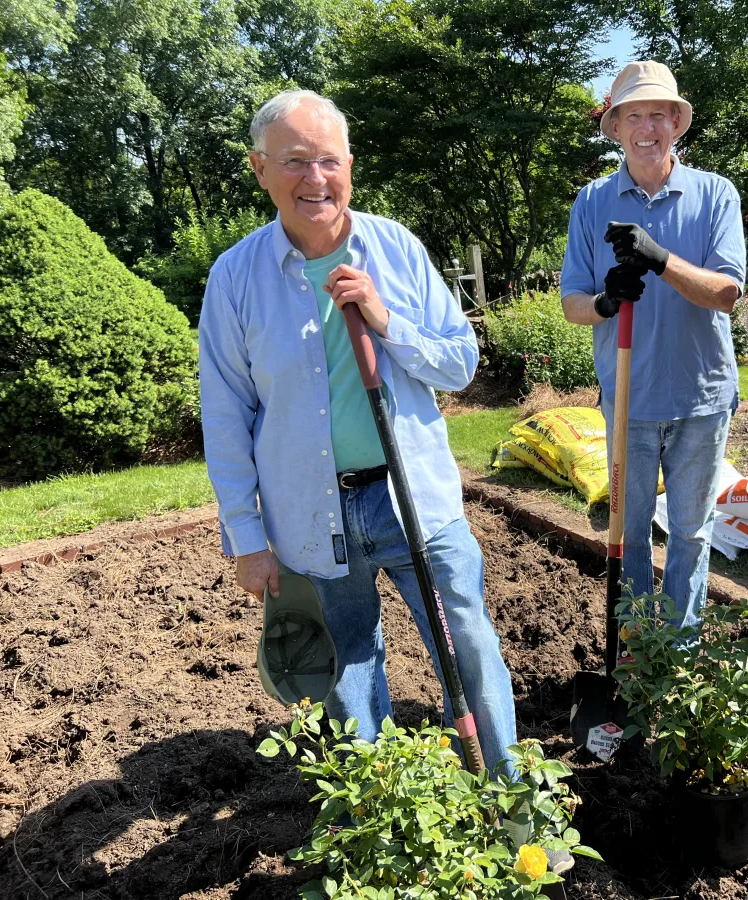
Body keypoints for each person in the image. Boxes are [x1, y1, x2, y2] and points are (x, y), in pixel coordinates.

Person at [198, 89, 516, 770]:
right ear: (259, 169)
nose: (315, 179)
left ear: (350, 166)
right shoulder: (235, 278)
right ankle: (376, 815)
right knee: (349, 673)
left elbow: (461, 363)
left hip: (413, 503)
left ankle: (516, 803)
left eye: (328, 161)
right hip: (311, 515)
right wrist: (247, 538)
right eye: (294, 162)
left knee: (470, 655)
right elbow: (226, 416)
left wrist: (384, 318)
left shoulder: (394, 249)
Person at [561, 61, 747, 629]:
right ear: (615, 127)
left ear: (676, 123)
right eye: (632, 115)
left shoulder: (715, 194)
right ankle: (638, 645)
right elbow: (573, 303)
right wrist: (606, 303)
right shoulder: (592, 203)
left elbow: (726, 292)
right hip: (629, 402)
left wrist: (659, 259)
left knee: (690, 532)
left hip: (701, 399)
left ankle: (679, 651)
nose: (647, 127)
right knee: (629, 532)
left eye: (658, 115)